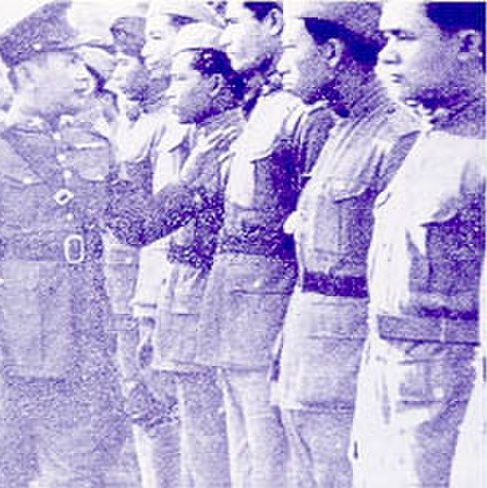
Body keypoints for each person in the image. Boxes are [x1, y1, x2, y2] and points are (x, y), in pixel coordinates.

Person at [0, 3, 125, 486]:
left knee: (78, 472)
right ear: (28, 73)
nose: (78, 73)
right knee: (6, 472)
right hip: (14, 350)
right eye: (66, 61)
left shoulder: (91, 142)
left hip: (81, 340)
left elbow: (129, 220)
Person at [276, 1, 419, 486]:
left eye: (291, 49)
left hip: (346, 359)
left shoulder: (396, 137)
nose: (281, 63)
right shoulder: (337, 128)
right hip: (306, 347)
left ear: (332, 51)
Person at [196, 1, 334, 486]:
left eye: (233, 23)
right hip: (234, 311)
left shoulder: (304, 112)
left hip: (270, 313)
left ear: (274, 22)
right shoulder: (261, 107)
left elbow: (313, 236)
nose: (225, 37)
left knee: (272, 463)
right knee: (245, 459)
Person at [352, 2, 485, 486]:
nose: (385, 56)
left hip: (451, 399)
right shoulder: (426, 139)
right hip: (390, 380)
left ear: (468, 44)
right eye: (384, 39)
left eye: (404, 38)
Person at [107, 23, 243, 487]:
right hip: (184, 301)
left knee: (206, 433)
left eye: (181, 80)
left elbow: (147, 226)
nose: (170, 91)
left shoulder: (224, 146)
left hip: (207, 304)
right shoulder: (206, 141)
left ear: (217, 84)